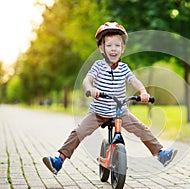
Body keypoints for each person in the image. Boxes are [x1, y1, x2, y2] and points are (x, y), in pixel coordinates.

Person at [43, 22, 177, 175]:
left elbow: (134, 80)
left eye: (117, 45)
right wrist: (90, 89)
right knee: (79, 132)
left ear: (123, 48)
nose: (113, 49)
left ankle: (160, 154)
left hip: (120, 112)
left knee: (142, 129)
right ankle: (59, 161)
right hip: (98, 112)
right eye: (109, 46)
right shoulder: (98, 66)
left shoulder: (124, 68)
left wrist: (143, 91)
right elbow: (87, 80)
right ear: (102, 48)